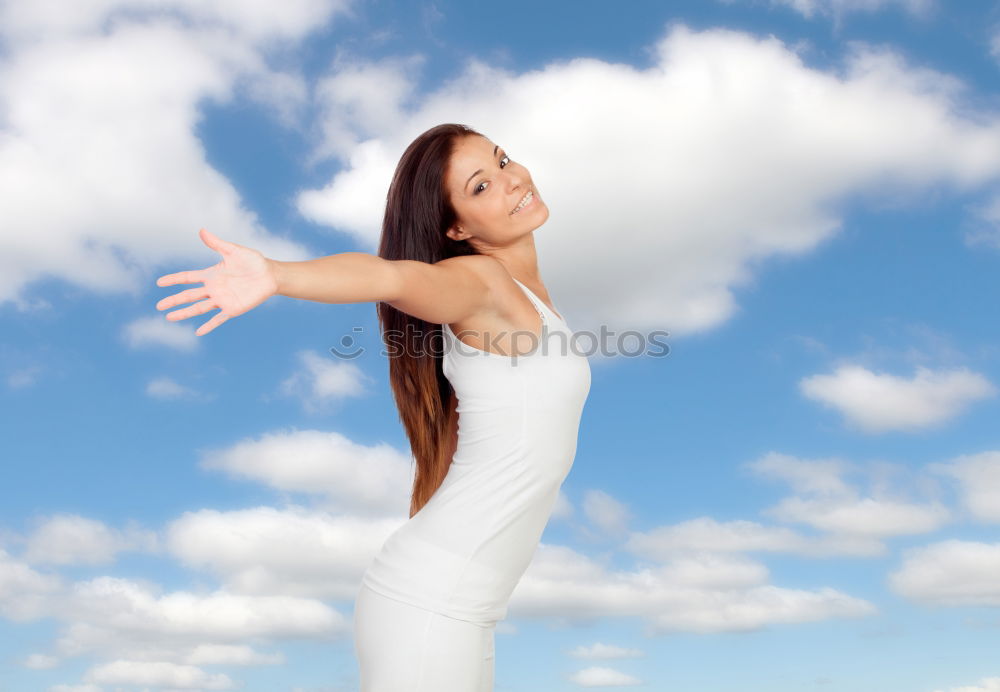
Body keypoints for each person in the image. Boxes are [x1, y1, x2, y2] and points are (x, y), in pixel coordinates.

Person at [155, 123, 592, 691]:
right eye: (481, 187)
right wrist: (279, 275)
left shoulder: (532, 299)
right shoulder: (480, 283)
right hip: (432, 605)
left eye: (503, 161)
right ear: (456, 227)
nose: (512, 182)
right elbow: (390, 276)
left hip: (459, 607)